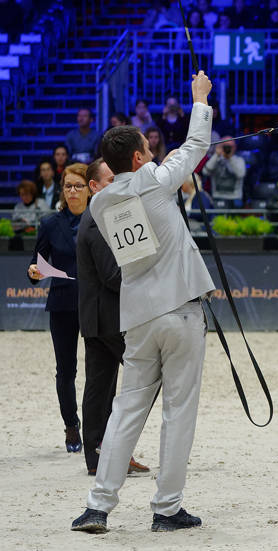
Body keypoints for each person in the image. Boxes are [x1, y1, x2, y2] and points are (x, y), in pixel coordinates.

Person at [71, 70, 215, 534]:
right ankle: (167, 508)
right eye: (148, 149)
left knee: (127, 408)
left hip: (137, 316)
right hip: (180, 310)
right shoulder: (154, 179)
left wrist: (159, 168)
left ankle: (98, 505)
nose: (153, 153)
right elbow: (194, 148)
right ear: (137, 155)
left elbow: (144, 181)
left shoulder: (100, 203)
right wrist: (199, 99)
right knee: (178, 410)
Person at [77, 158, 150, 477]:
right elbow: (112, 276)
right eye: (110, 181)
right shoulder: (101, 218)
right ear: (93, 187)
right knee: (149, 377)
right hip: (109, 317)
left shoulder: (97, 215)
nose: (118, 185)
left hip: (97, 317)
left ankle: (100, 454)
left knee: (100, 385)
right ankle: (114, 448)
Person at [26, 162, 90, 455]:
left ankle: (97, 427)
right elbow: (35, 264)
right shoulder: (50, 223)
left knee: (99, 369)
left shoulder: (100, 219)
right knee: (66, 370)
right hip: (63, 303)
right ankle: (71, 425)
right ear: (62, 191)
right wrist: (34, 273)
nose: (73, 191)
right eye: (68, 186)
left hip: (95, 303)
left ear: (90, 188)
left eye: (79, 185)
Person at [202, 137, 246, 203]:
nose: (227, 148)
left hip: (235, 198)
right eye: (225, 146)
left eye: (230, 146)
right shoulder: (215, 159)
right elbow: (205, 172)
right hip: (217, 197)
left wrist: (230, 158)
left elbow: (241, 174)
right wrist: (216, 155)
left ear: (234, 148)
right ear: (220, 146)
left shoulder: (239, 160)